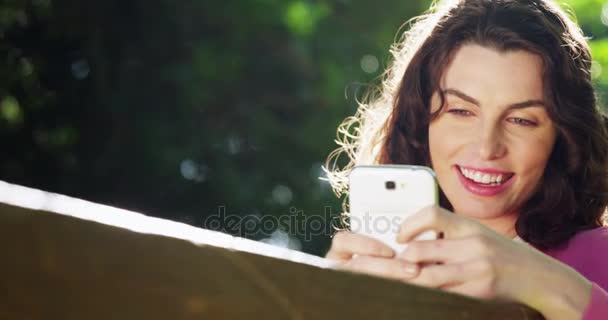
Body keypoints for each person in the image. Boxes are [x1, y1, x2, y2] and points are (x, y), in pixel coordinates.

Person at [323, 0, 608, 319]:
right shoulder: (383, 267)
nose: (487, 148)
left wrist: (541, 282)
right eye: (460, 111)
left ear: (563, 135)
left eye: (521, 120)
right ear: (421, 121)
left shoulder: (601, 256)